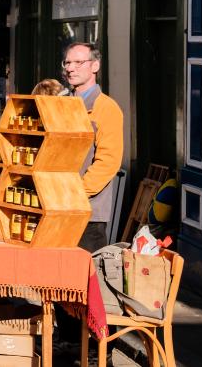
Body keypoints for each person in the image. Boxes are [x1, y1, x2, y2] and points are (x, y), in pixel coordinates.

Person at [63, 42, 124, 252]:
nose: (70, 68)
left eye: (79, 62)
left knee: (85, 276)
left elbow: (108, 162)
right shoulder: (61, 104)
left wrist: (77, 192)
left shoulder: (107, 108)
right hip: (56, 206)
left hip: (88, 212)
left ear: (95, 66)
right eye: (68, 62)